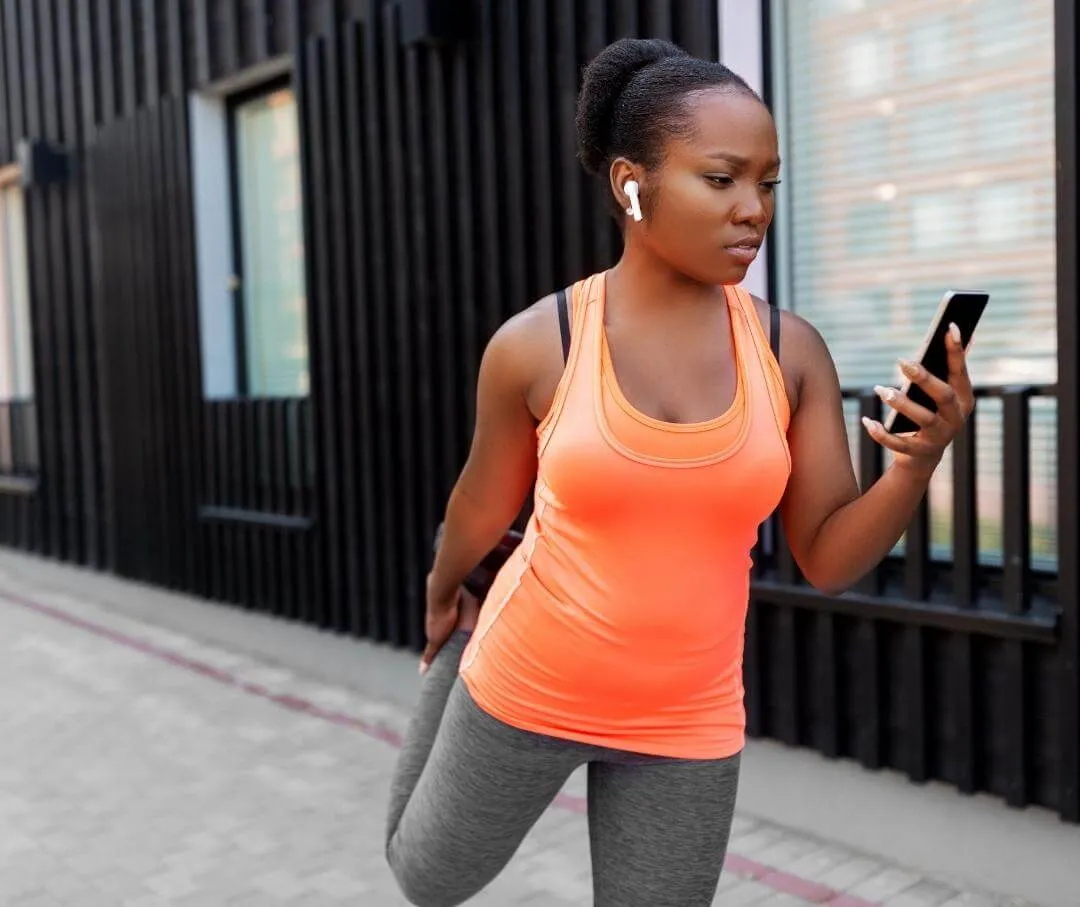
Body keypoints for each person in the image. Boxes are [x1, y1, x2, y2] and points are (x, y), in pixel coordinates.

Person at [384, 37, 974, 907]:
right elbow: (481, 498)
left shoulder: (789, 351)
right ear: (632, 183)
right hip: (527, 678)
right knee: (427, 879)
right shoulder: (536, 342)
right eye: (722, 178)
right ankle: (468, 648)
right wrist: (445, 592)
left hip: (686, 719)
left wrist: (914, 465)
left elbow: (827, 558)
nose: (753, 210)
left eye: (767, 184)